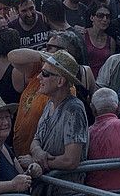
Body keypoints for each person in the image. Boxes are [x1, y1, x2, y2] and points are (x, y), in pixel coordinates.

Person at [29, 51, 88, 192]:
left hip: (66, 190)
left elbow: (71, 160)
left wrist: (37, 162)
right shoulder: (49, 104)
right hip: (46, 188)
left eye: (45, 73)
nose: (38, 77)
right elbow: (36, 139)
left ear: (60, 81)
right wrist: (37, 152)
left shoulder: (74, 109)